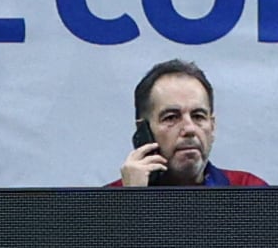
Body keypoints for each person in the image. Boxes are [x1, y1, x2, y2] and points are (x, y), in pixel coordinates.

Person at [114, 59, 266, 186]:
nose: (189, 129)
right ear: (143, 131)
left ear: (212, 127)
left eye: (198, 116)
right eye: (171, 117)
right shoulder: (108, 202)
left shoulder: (249, 190)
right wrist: (132, 199)